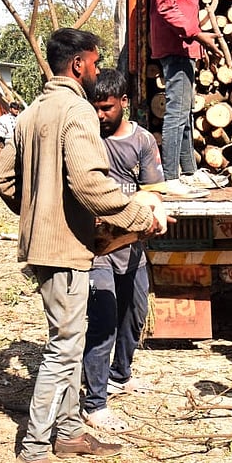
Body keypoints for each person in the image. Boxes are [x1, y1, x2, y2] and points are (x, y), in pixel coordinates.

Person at [0, 28, 169, 463]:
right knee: (65, 346)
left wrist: (37, 211)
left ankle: (68, 433)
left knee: (67, 339)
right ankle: (33, 453)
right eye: (94, 63)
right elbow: (91, 185)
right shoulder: (77, 112)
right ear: (78, 65)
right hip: (66, 248)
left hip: (45, 243)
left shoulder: (31, 112)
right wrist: (140, 215)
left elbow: (3, 177)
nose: (96, 70)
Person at [81, 69, 164, 433]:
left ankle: (121, 374)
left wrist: (154, 212)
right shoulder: (86, 141)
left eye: (107, 108)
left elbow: (153, 191)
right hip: (97, 250)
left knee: (134, 316)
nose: (100, 115)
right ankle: (94, 403)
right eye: (95, 108)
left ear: (124, 103)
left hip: (132, 248)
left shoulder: (143, 141)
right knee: (102, 324)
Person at [150, 0, 224, 199]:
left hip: (185, 42)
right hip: (175, 42)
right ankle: (171, 179)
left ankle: (189, 174)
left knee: (184, 113)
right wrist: (198, 35)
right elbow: (165, 3)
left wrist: (195, 41)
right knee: (177, 113)